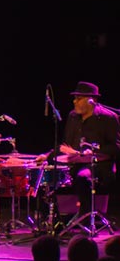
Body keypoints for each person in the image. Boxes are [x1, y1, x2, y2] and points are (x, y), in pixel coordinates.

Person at [36, 81, 120, 216]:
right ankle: (54, 221)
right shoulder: (73, 116)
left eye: (79, 98)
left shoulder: (108, 118)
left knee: (82, 177)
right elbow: (65, 146)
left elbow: (115, 147)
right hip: (73, 163)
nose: (74, 101)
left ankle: (84, 220)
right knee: (44, 176)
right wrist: (46, 156)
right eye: (75, 98)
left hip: (99, 165)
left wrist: (91, 152)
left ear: (91, 100)